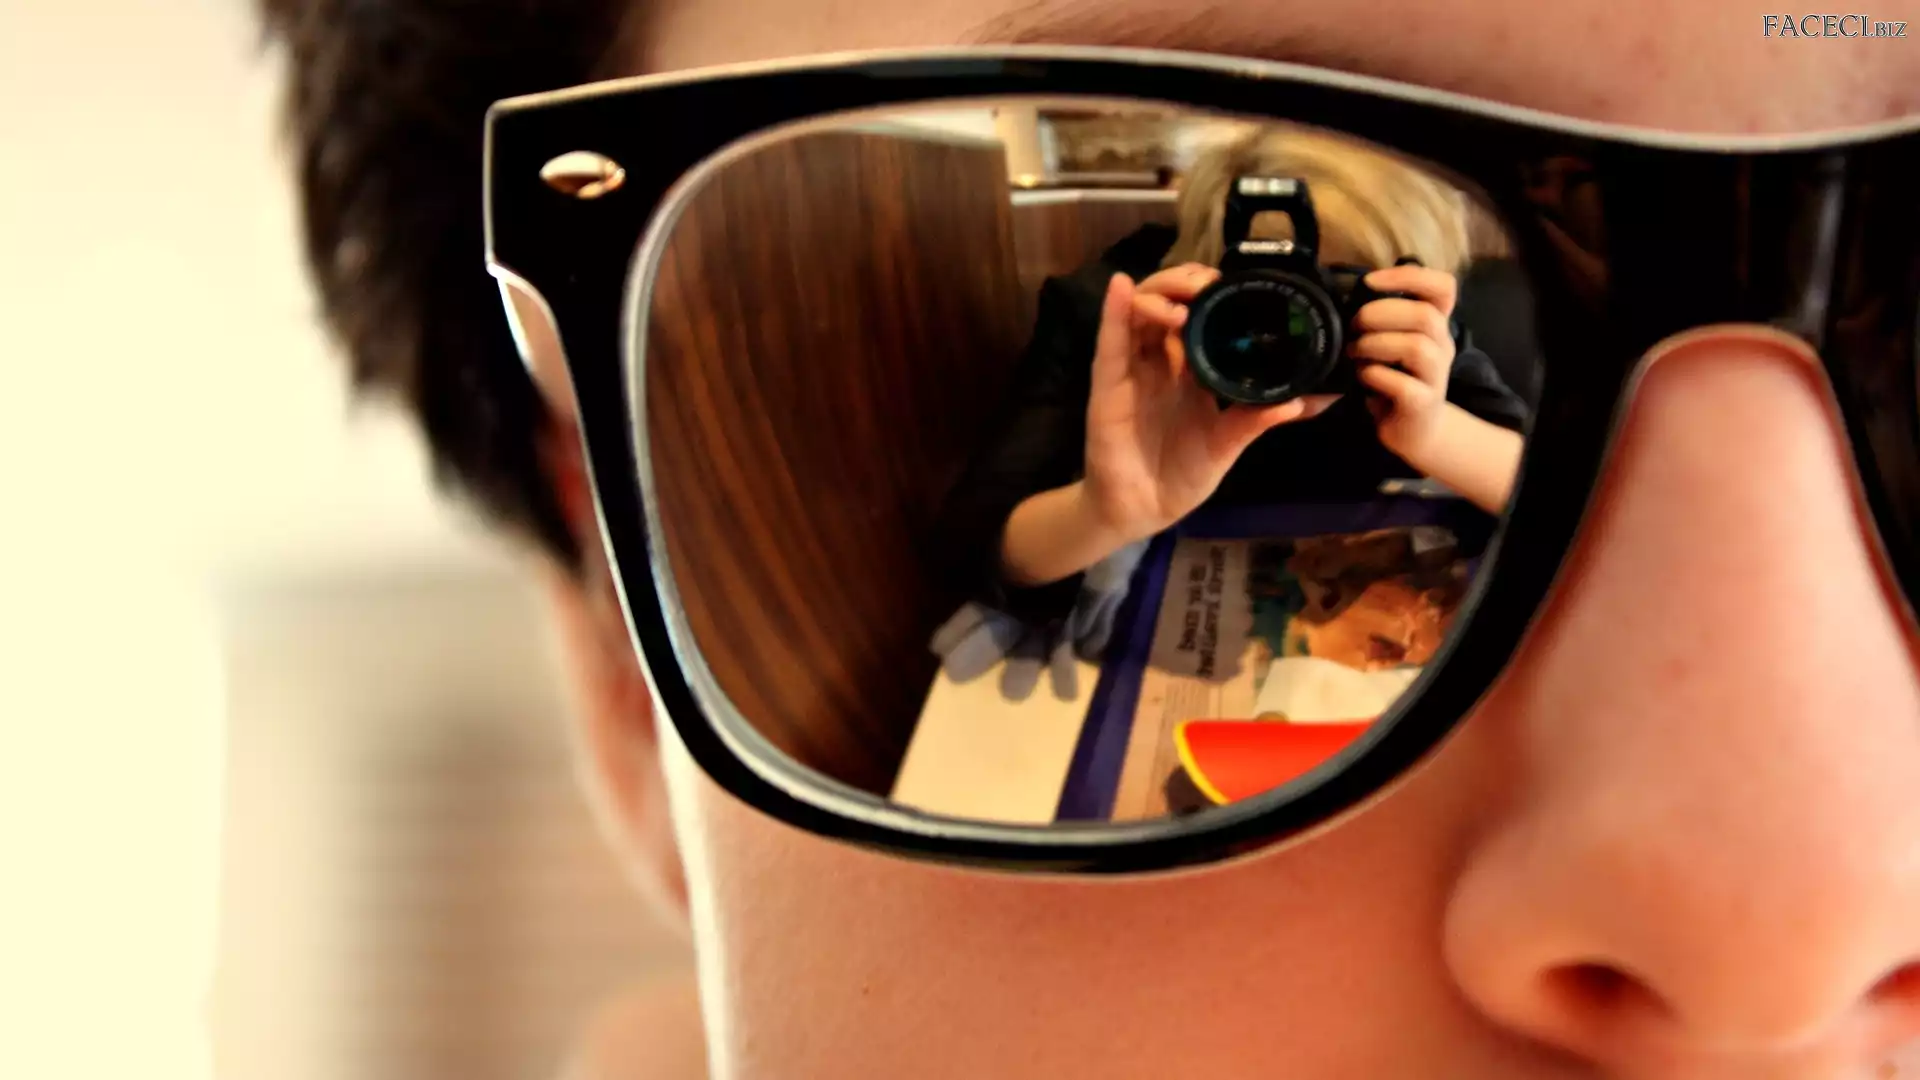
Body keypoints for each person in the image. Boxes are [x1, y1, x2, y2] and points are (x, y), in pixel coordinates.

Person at [255, 3, 1920, 1079]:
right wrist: (1124, 496)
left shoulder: (1459, 327)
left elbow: (1511, 452)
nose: (1778, 914)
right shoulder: (1115, 323)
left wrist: (1453, 434)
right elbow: (1002, 565)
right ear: (629, 669)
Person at [942, 125, 1530, 624]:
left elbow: (1548, 488)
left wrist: (1435, 433)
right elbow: (972, 547)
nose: (1296, 322)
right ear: (1205, 258)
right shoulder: (1132, 322)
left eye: (1337, 290)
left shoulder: (1405, 329)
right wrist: (1100, 514)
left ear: (1400, 282)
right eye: (1265, 291)